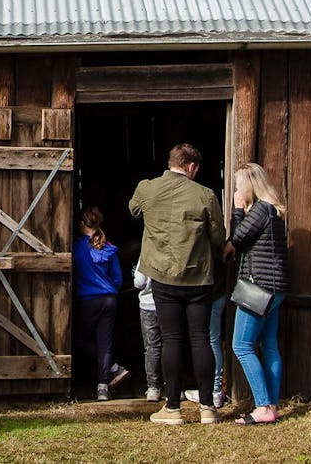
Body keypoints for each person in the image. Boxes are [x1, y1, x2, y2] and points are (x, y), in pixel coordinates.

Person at [128, 142, 225, 426]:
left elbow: (134, 210)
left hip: (162, 276)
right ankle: (208, 407)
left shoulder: (147, 188)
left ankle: (172, 409)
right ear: (192, 167)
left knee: (171, 339)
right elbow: (218, 237)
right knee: (201, 338)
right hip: (199, 279)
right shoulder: (205, 194)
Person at [227, 163, 289, 425]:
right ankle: (272, 405)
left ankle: (262, 407)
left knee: (241, 345)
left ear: (249, 185)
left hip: (258, 288)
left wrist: (237, 210)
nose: (238, 190)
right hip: (276, 288)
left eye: (240, 185)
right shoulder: (273, 210)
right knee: (270, 346)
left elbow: (239, 238)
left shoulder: (260, 209)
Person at [72, 205, 130, 400]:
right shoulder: (109, 249)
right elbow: (118, 280)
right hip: (109, 300)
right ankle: (103, 388)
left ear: (82, 224)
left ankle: (113, 367)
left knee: (80, 339)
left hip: (88, 301)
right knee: (105, 342)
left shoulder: (78, 248)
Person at [131, 261, 162, 402]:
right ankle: (173, 386)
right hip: (170, 304)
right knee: (171, 343)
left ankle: (153, 388)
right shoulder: (171, 249)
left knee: (151, 347)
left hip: (148, 305)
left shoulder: (147, 254)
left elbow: (139, 282)